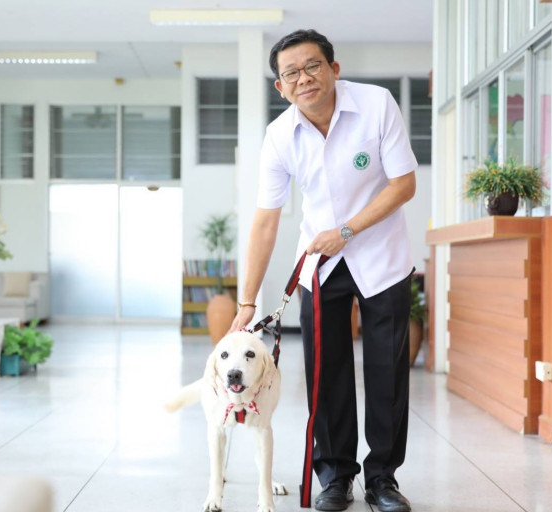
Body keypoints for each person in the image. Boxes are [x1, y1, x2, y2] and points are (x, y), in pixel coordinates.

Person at [229, 29, 417, 512]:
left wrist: (347, 231)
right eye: (290, 73)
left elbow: (403, 184)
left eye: (312, 66)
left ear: (333, 68)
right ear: (280, 87)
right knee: (325, 373)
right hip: (320, 266)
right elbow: (266, 221)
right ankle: (335, 476)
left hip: (383, 258)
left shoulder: (376, 104)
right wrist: (247, 302)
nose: (303, 78)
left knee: (386, 372)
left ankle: (382, 480)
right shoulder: (279, 136)